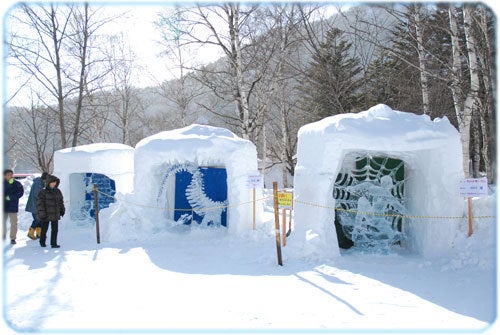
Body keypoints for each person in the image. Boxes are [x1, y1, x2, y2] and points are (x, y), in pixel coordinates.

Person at [36, 174, 65, 248]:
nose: (54, 184)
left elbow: (61, 202)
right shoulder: (43, 192)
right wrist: (42, 213)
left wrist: (62, 209)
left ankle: (53, 243)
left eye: (55, 182)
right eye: (52, 182)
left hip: (55, 214)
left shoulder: (58, 191)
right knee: (44, 229)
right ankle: (42, 242)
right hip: (46, 214)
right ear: (48, 183)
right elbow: (40, 204)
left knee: (55, 229)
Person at [3, 169, 24, 244]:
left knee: (14, 223)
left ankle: (13, 238)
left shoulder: (17, 184)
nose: (10, 176)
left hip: (13, 206)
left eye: (11, 174)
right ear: (4, 175)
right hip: (3, 206)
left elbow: (20, 193)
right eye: (8, 174)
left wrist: (11, 197)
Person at [25, 172, 48, 240]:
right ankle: (30, 233)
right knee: (37, 219)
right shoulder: (38, 184)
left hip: (38, 205)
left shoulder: (40, 183)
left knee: (40, 219)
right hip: (35, 205)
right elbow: (38, 195)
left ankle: (39, 233)